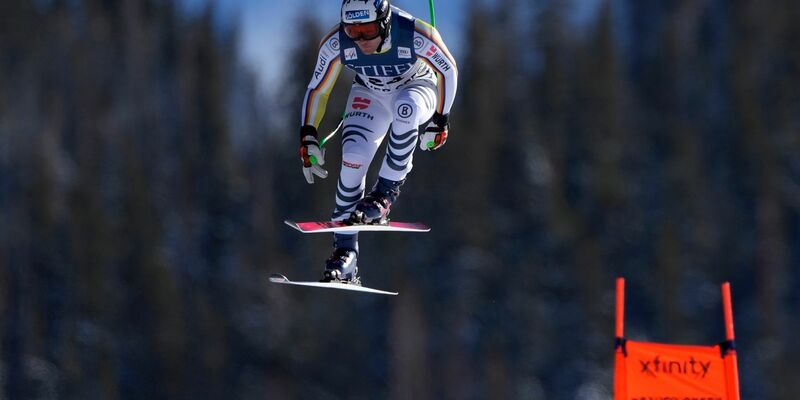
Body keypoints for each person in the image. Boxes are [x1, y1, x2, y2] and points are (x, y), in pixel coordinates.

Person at [299, 0, 458, 283]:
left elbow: (448, 70)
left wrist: (440, 120)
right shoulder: (336, 43)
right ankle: (345, 255)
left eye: (369, 30)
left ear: (384, 21)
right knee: (352, 159)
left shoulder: (413, 33)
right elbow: (318, 88)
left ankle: (385, 193)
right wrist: (308, 135)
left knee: (405, 109)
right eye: (353, 31)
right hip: (370, 92)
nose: (361, 40)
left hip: (416, 87)